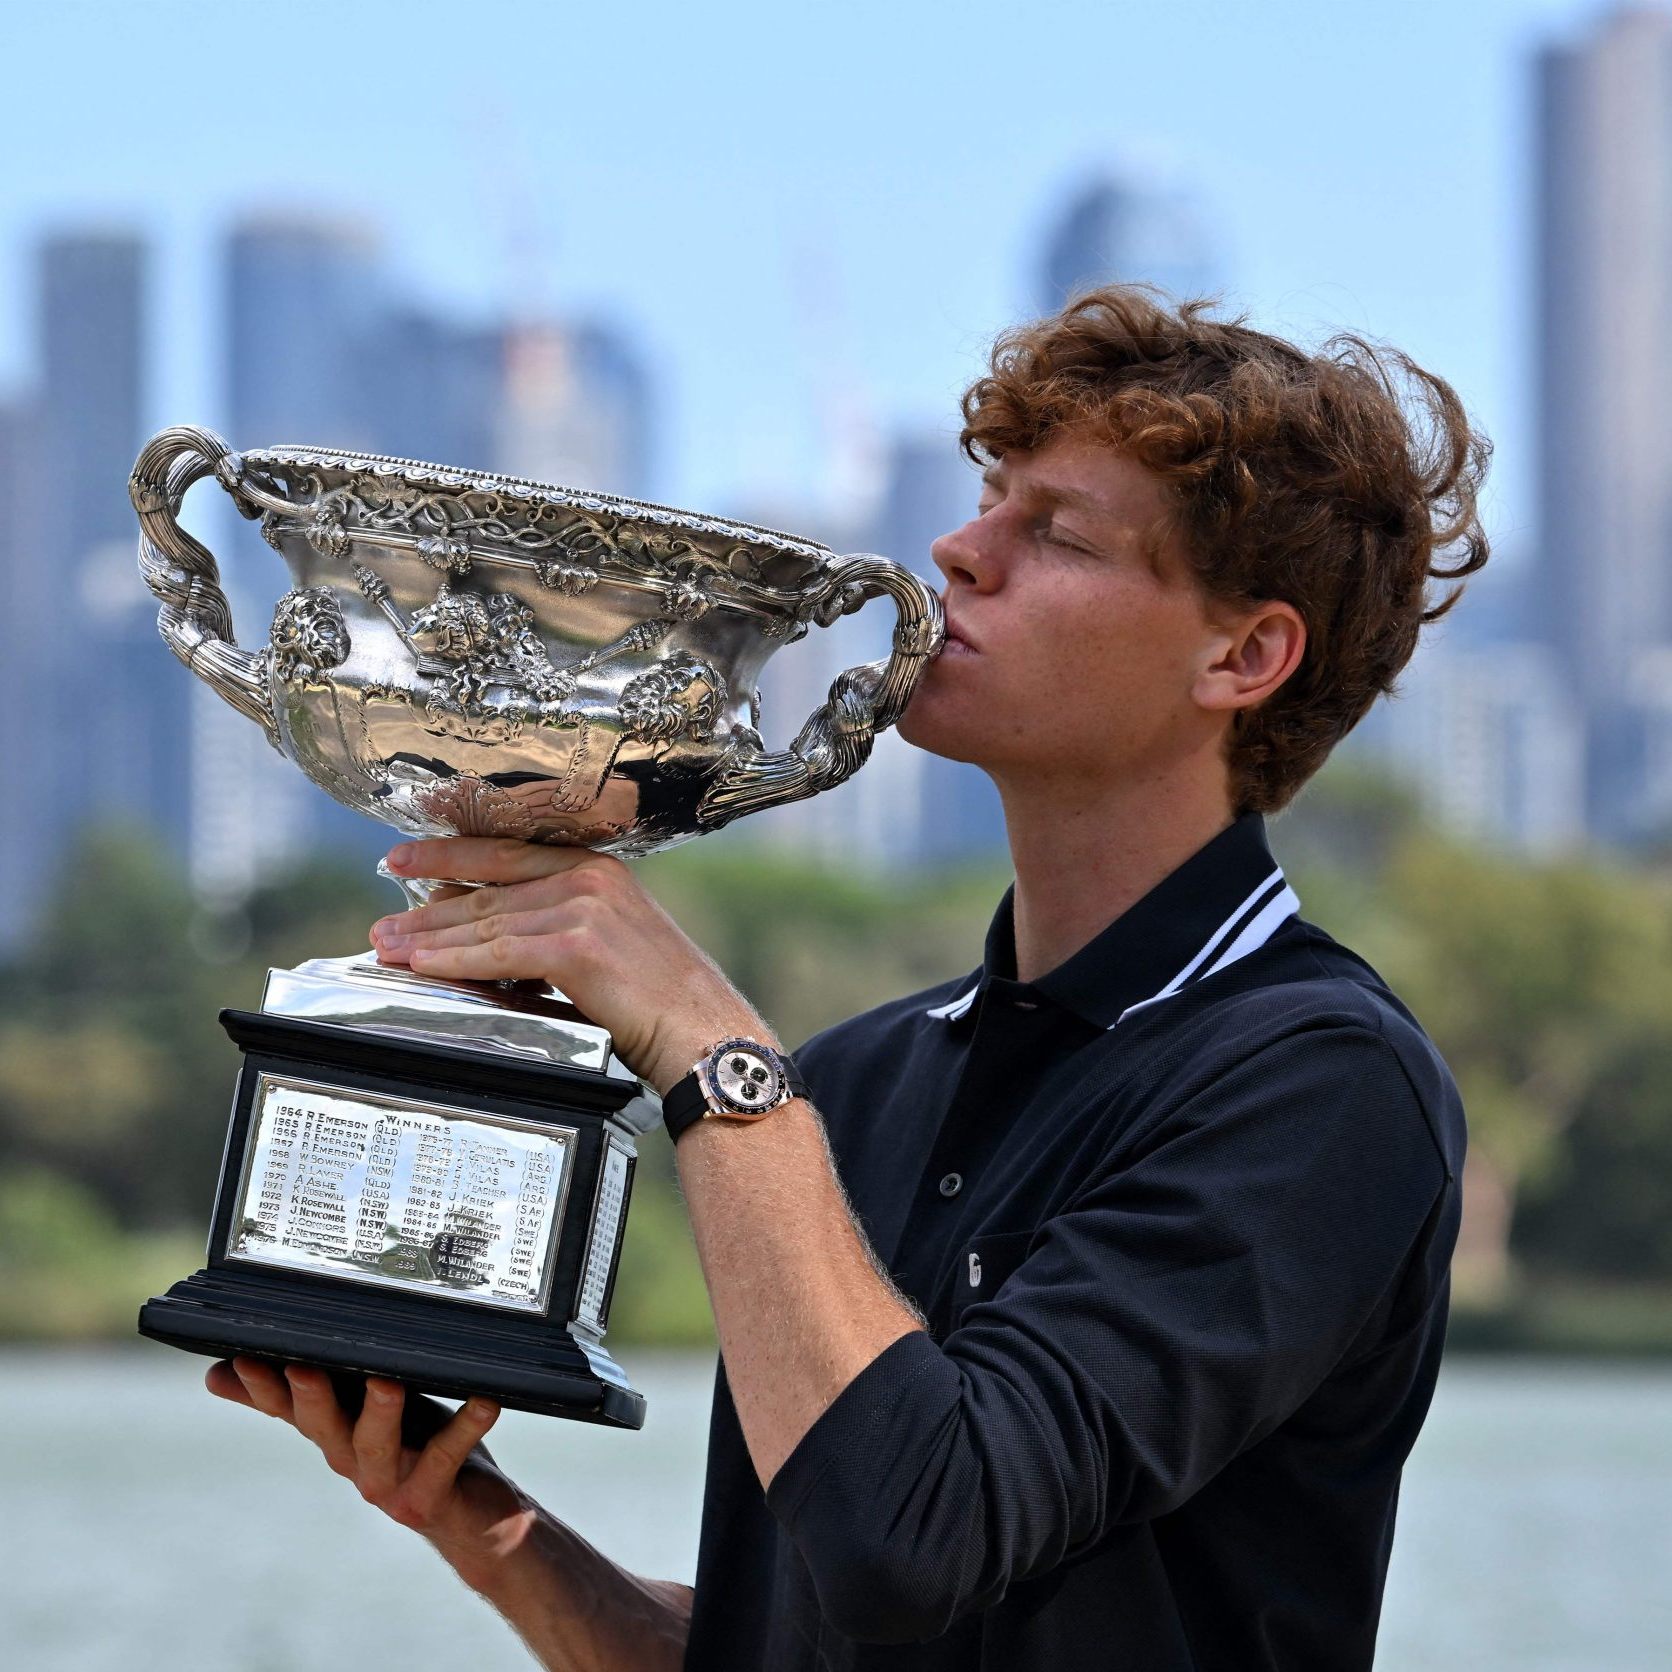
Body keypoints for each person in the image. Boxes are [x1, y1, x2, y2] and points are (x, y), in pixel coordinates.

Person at [208, 285, 1490, 1671]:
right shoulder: (863, 1080)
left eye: (1054, 531)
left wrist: (711, 1049)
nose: (959, 548)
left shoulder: (1319, 1082)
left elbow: (913, 1534)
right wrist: (480, 1522)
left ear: (1244, 655)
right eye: (990, 498)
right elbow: (789, 1638)